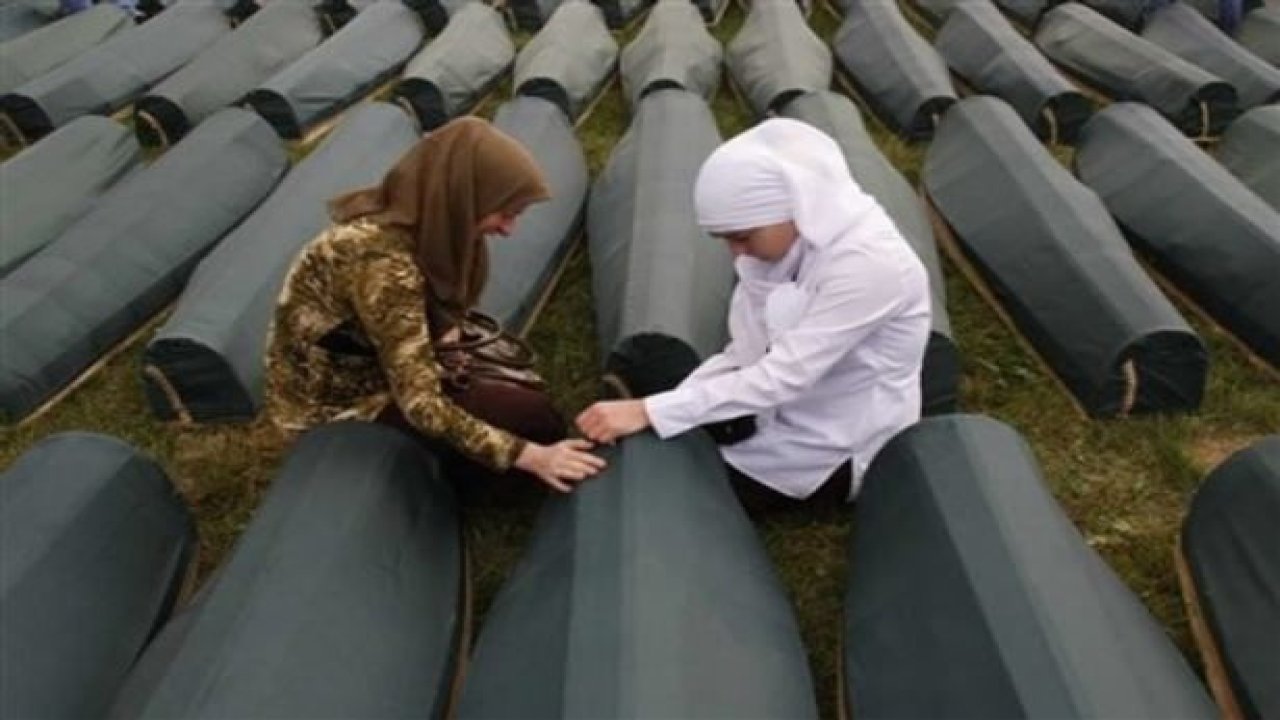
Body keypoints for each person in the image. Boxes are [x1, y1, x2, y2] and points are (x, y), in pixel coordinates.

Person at [575, 118, 931, 513]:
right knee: (653, 382)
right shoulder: (779, 251)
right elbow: (745, 351)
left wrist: (649, 410)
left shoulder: (871, 267)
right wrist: (675, 402)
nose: (735, 252)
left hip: (831, 448)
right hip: (777, 410)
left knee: (666, 482)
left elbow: (784, 376)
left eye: (742, 237)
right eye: (725, 239)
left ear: (794, 208)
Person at [264, 117, 605, 498]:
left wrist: (454, 357)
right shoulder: (380, 263)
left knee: (525, 405)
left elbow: (442, 315)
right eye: (505, 213)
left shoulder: (429, 219)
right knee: (530, 424)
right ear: (466, 196)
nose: (509, 230)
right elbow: (420, 402)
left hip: (379, 364)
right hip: (343, 402)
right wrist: (529, 456)